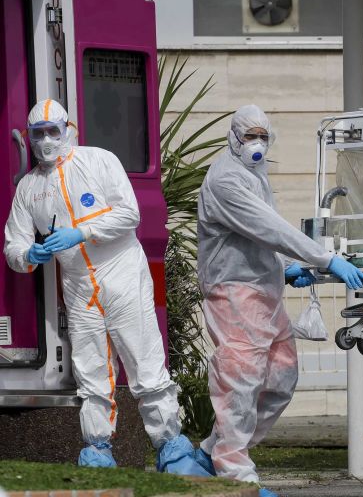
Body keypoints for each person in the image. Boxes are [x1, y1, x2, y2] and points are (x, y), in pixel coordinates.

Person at [3, 99, 209, 475]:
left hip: (122, 274)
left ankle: (173, 452)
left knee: (145, 364)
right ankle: (97, 452)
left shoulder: (99, 161)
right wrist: (30, 254)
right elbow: (13, 246)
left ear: (70, 129)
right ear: (29, 138)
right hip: (79, 287)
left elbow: (129, 213)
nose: (47, 140)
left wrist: (81, 232)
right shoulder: (29, 188)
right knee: (92, 374)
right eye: (38, 133)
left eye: (54, 130)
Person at [195, 105, 363, 497]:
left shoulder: (254, 173)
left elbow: (260, 233)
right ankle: (236, 475)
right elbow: (269, 227)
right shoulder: (226, 180)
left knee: (281, 376)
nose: (256, 144)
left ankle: (212, 452)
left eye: (262, 137)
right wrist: (325, 259)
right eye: (249, 136)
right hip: (233, 289)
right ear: (233, 137)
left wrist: (288, 268)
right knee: (241, 380)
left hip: (262, 287)